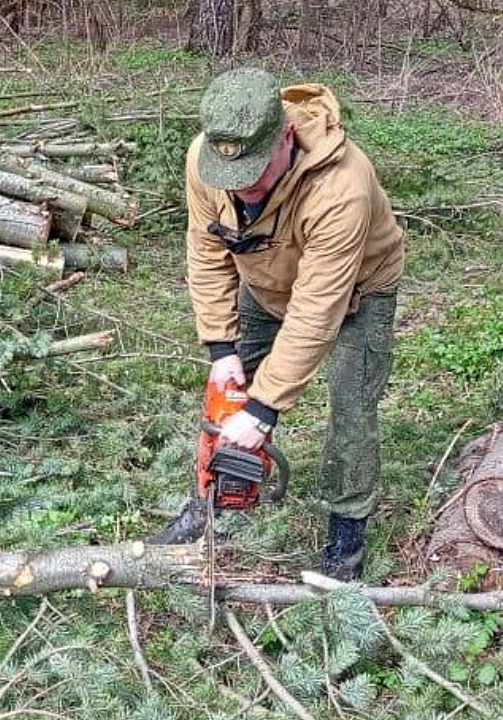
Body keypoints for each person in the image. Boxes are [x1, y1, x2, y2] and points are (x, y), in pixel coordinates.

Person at [154, 67, 405, 581]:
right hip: (265, 278)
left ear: (285, 135)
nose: (242, 187)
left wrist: (265, 408)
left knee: (351, 412)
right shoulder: (208, 159)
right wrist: (221, 347)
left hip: (356, 293)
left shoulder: (342, 187)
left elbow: (318, 308)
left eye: (254, 173)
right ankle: (215, 505)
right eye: (232, 176)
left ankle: (346, 538)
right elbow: (205, 250)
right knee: (228, 398)